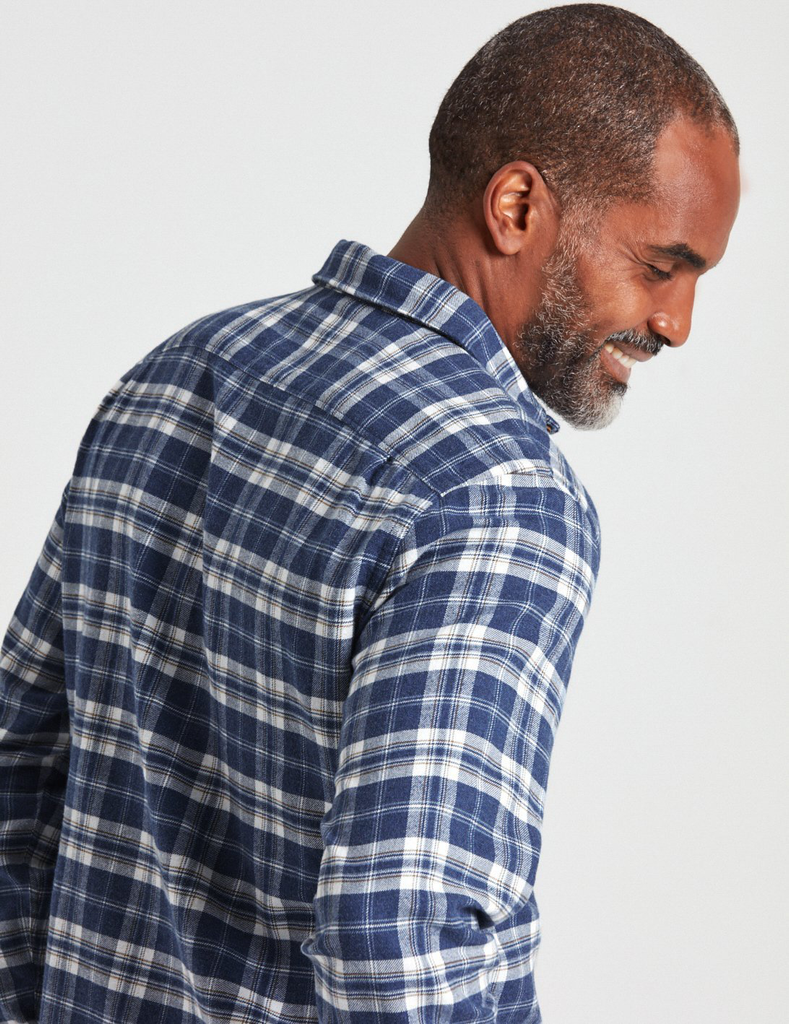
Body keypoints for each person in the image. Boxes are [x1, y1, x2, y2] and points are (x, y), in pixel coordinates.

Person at [0, 4, 739, 1022]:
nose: (677, 322)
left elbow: (20, 771)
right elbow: (407, 942)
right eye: (661, 265)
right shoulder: (498, 492)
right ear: (516, 206)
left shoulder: (178, 373)